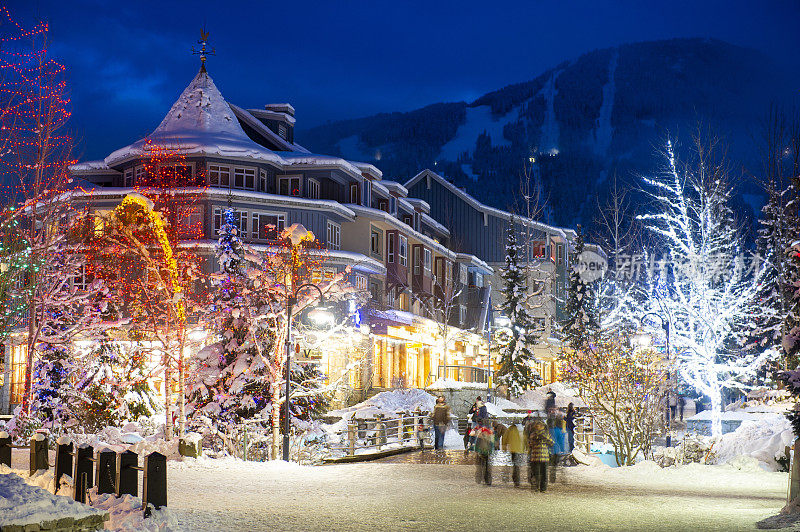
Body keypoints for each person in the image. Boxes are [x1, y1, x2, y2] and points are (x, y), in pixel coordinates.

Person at [528, 420, 553, 492]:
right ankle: (542, 488)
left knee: (537, 473)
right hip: (543, 457)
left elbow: (530, 445)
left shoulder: (534, 434)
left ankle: (537, 487)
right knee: (543, 474)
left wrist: (542, 438)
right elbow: (551, 443)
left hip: (535, 457)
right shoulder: (544, 434)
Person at [474, 418, 494, 485]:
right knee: (487, 467)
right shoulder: (489, 432)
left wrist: (476, 451)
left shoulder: (480, 432)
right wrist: (491, 451)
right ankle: (487, 480)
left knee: (480, 466)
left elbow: (477, 444)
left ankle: (479, 479)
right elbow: (491, 443)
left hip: (481, 452)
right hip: (486, 452)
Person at [548, 418, 568, 482]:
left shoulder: (546, 431)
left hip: (548, 450)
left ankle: (547, 478)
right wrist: (562, 450)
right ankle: (552, 478)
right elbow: (561, 441)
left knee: (548, 465)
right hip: (556, 450)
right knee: (554, 465)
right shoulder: (558, 430)